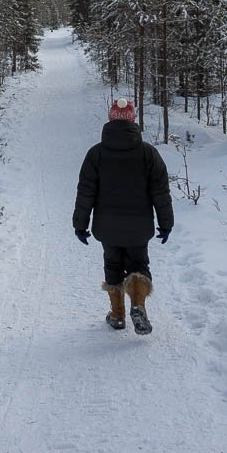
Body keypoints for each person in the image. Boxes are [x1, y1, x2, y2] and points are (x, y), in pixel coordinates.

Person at [72, 98, 174, 335]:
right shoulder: (148, 153)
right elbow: (161, 191)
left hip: (107, 227)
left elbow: (85, 191)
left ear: (110, 118)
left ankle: (117, 315)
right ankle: (138, 305)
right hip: (139, 227)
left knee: (112, 264)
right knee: (139, 264)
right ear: (133, 120)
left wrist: (80, 224)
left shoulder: (95, 154)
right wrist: (166, 223)